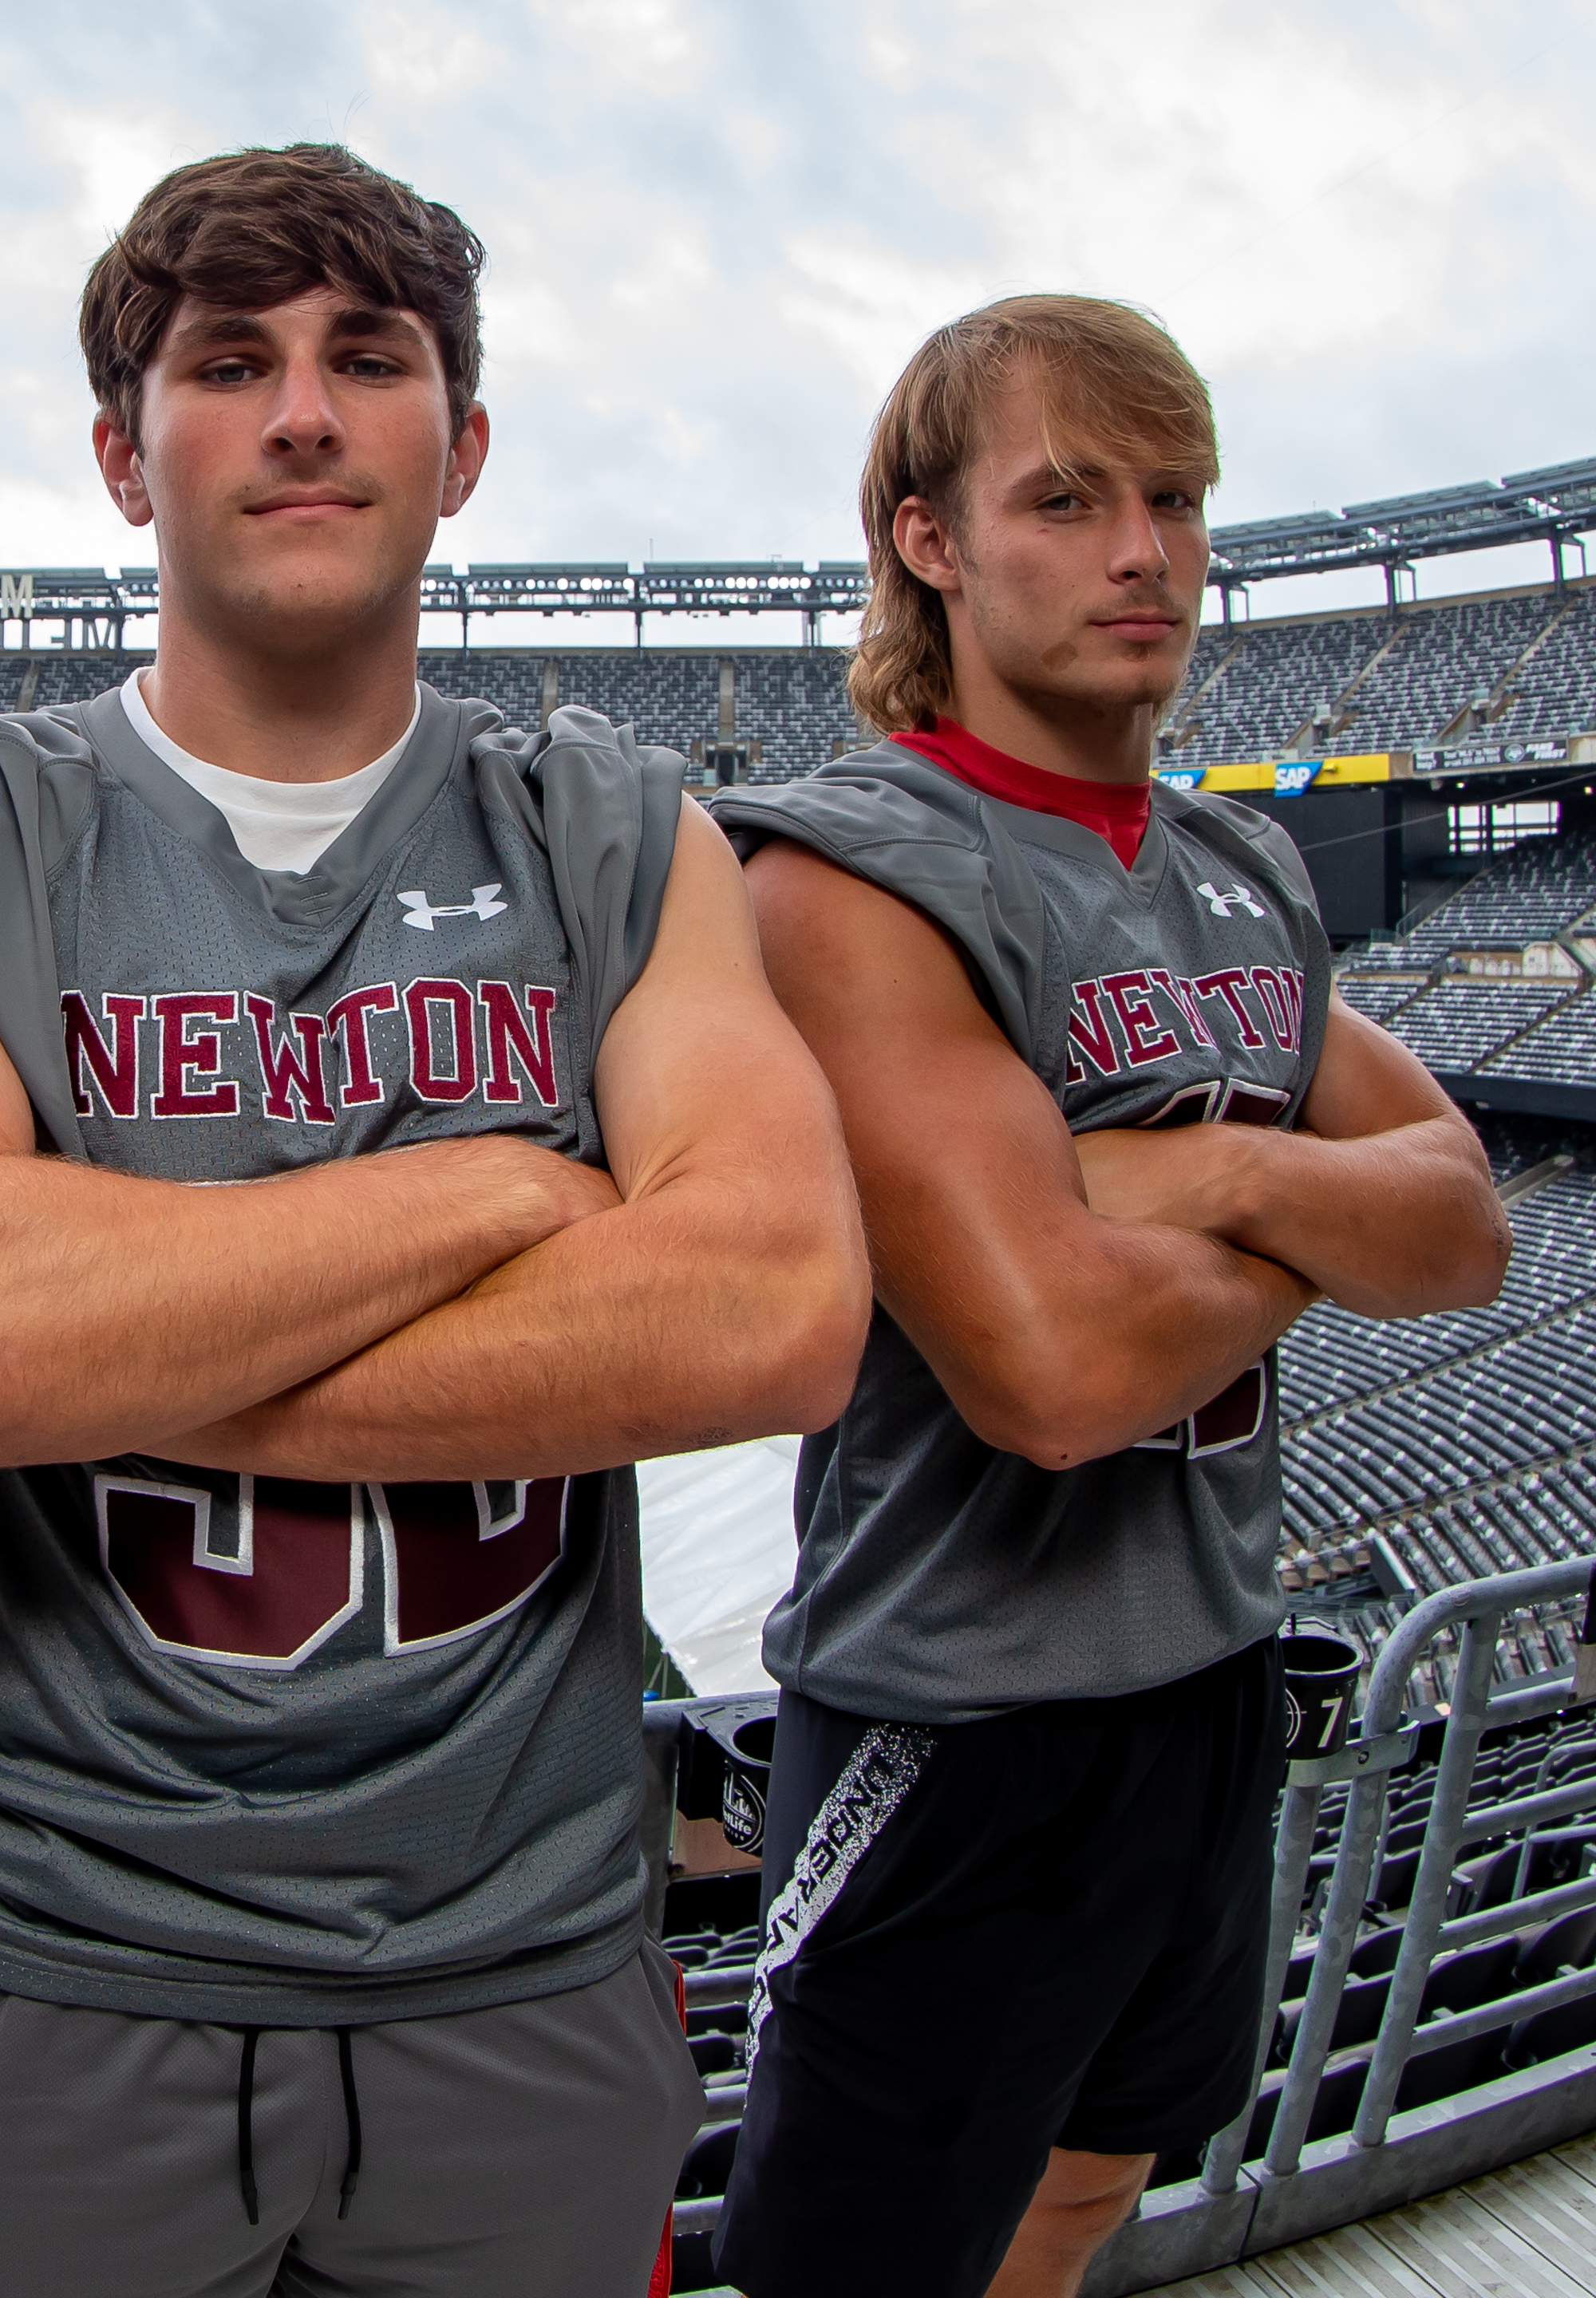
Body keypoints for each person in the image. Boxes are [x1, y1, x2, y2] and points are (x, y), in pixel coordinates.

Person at [0, 143, 868, 2297]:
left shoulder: (617, 828)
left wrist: (111, 1323)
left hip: (520, 1972)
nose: (301, 413)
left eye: (371, 359)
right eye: (229, 361)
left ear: (459, 447)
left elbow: (775, 1304)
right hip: (50, 1967)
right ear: (119, 449)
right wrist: (495, 1193)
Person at [705, 294, 1511, 2298]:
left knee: (1095, 2173)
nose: (1145, 550)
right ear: (931, 541)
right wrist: (1317, 1221)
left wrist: (1214, 1172)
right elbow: (1049, 1368)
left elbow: (1467, 1220)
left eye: (1174, 497)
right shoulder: (852, 868)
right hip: (959, 1714)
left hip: (1212, 1666)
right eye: (1067, 499)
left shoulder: (1239, 863)